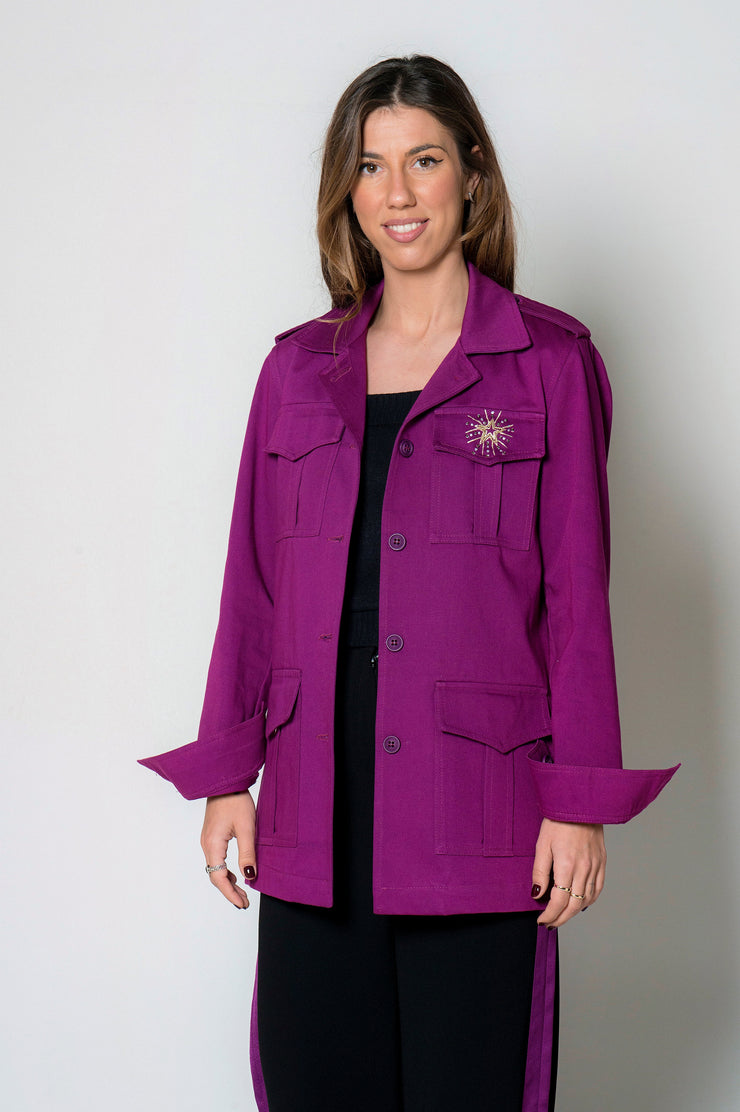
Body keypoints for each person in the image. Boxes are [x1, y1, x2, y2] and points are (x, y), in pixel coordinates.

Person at [139, 55, 679, 1112]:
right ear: (346, 190)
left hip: (478, 809)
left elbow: (578, 600)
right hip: (313, 809)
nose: (397, 192)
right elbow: (252, 587)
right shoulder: (296, 369)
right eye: (371, 166)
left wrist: (577, 801)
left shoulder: (549, 363)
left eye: (423, 160)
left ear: (471, 174)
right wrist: (227, 776)